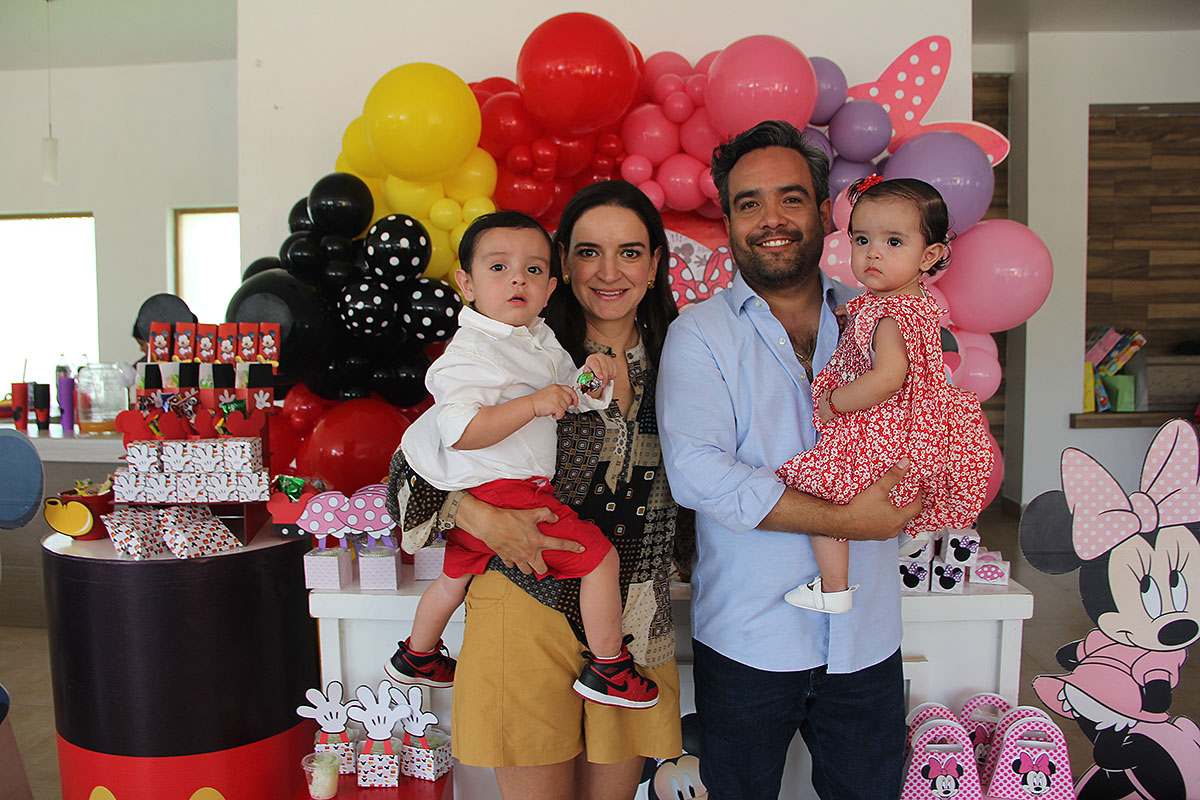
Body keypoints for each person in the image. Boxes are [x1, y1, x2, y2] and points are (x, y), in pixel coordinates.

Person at [386, 181, 682, 800]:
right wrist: (476, 515)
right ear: (563, 268)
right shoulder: (521, 351)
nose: (608, 271)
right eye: (587, 252)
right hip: (525, 598)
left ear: (655, 264)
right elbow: (411, 464)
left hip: (633, 614)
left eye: (630, 252)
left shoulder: (684, 359)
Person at [656, 120, 919, 800]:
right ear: (730, 219)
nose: (771, 218)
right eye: (749, 203)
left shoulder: (880, 323)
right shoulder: (700, 335)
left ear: (824, 209)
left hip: (867, 642)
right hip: (748, 644)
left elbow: (924, 435)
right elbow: (697, 473)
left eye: (790, 198)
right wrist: (853, 519)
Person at [775, 176, 992, 614]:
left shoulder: (890, 314)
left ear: (929, 255)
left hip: (888, 426)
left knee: (820, 494)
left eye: (894, 241)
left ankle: (833, 588)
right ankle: (911, 536)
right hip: (921, 428)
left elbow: (890, 376)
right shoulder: (912, 304)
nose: (873, 252)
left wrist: (834, 402)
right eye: (862, 238)